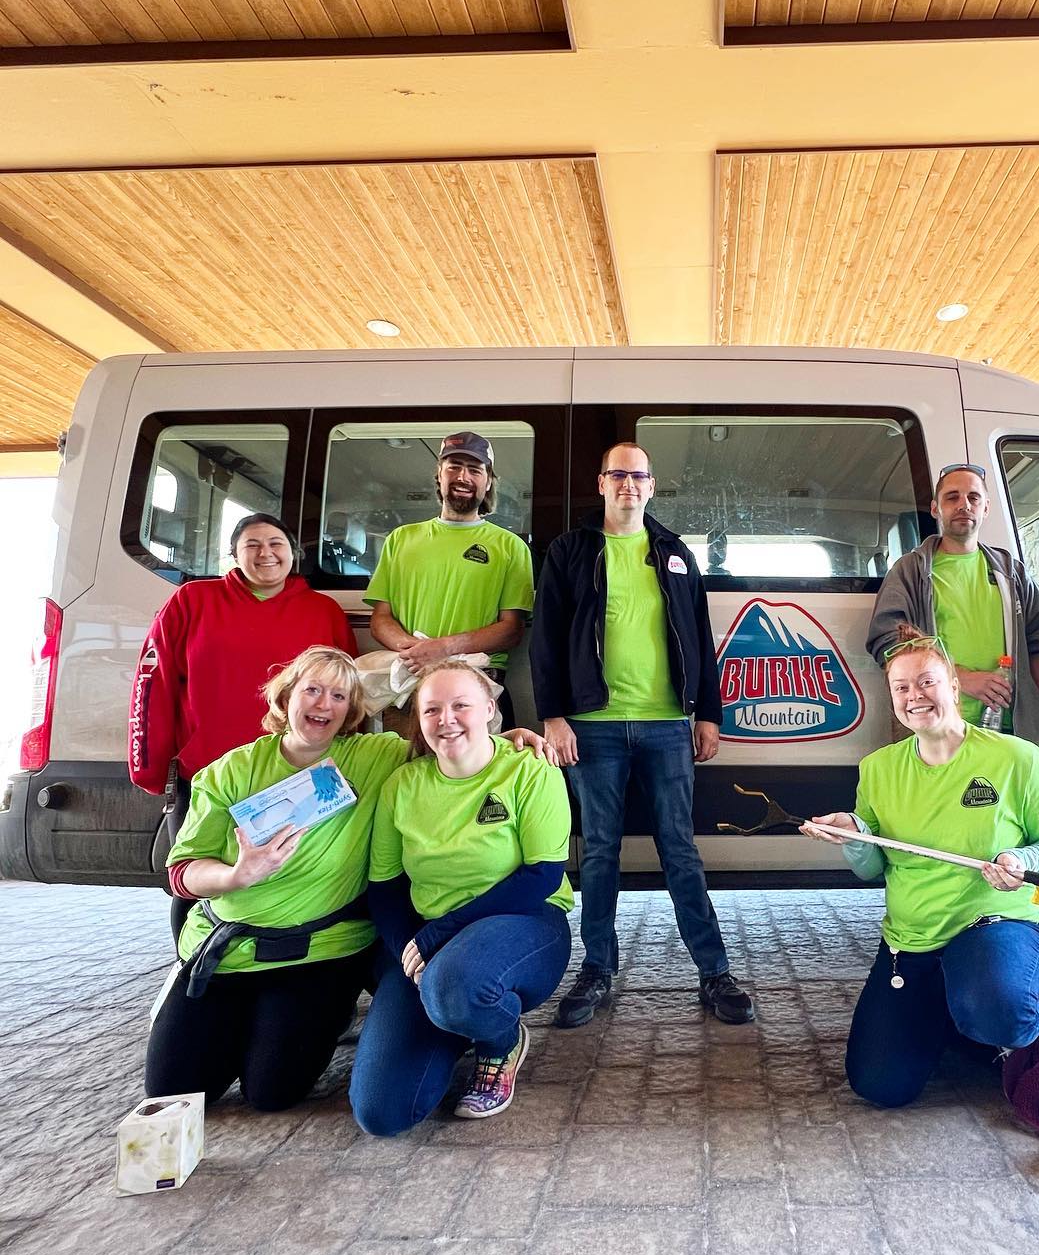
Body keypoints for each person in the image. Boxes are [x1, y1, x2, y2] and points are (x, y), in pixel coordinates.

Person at [531, 441, 755, 1027]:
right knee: (600, 851)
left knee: (680, 849)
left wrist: (709, 712)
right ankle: (597, 971)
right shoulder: (570, 551)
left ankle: (714, 972)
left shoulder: (675, 552)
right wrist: (553, 715)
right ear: (600, 483)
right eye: (617, 475)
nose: (628, 484)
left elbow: (700, 638)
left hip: (666, 726)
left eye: (639, 476)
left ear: (651, 486)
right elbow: (546, 638)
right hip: (592, 728)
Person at [803, 639, 1039, 1108]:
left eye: (927, 681)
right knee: (880, 1085)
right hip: (910, 942)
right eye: (901, 687)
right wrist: (854, 836)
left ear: (954, 686)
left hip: (994, 925)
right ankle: (956, 1017)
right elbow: (874, 868)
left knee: (999, 1013)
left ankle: (1031, 1018)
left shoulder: (1016, 758)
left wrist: (1021, 863)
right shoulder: (877, 769)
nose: (915, 696)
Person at [145, 647, 408, 1111]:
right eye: (312, 689)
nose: (323, 704)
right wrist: (235, 875)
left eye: (339, 695)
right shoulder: (231, 771)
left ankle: (309, 1020)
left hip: (319, 952)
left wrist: (516, 737)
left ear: (351, 712)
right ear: (286, 697)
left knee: (272, 1094)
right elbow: (182, 872)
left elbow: (451, 741)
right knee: (172, 1093)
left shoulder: (374, 757)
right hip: (227, 951)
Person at [349, 661, 574, 1134]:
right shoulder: (402, 785)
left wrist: (437, 937)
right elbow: (386, 888)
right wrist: (410, 955)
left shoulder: (530, 770)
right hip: (432, 945)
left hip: (526, 920)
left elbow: (542, 876)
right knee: (383, 1114)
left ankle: (499, 1041)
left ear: (490, 709)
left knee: (455, 986)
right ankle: (456, 1014)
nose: (446, 719)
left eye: (460, 705)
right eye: (432, 709)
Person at [129, 513, 358, 844]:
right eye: (253, 545)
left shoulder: (325, 611)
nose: (266, 553)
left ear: (293, 553)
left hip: (295, 779)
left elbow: (346, 696)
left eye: (276, 543)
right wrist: (149, 767)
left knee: (288, 881)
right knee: (195, 882)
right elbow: (154, 685)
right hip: (206, 773)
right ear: (235, 555)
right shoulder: (193, 600)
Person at [866, 463, 1039, 765]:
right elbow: (887, 643)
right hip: (937, 731)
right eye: (952, 497)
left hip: (1007, 731)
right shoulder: (910, 571)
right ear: (935, 509)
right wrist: (960, 678)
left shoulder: (1012, 573)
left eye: (973, 497)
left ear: (985, 509)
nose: (963, 505)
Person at [364, 432, 534, 727]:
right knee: (405, 772)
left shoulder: (510, 546)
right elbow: (380, 618)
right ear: (439, 474)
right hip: (409, 689)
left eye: (475, 469)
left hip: (478, 688)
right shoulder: (401, 539)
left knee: (479, 773)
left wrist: (443, 649)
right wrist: (415, 651)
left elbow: (511, 630)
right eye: (454, 466)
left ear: (488, 480)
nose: (463, 477)